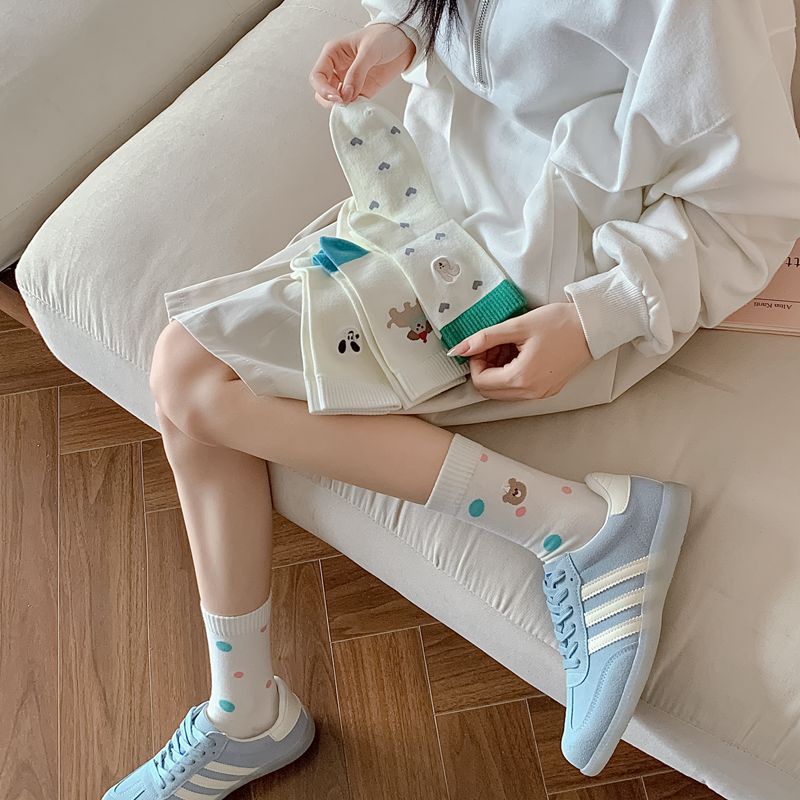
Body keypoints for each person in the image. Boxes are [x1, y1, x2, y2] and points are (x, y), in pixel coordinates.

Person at [103, 1, 800, 797]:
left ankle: (578, 526)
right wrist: (401, 32)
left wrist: (589, 322)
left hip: (535, 274)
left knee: (192, 375)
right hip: (425, 200)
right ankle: (245, 710)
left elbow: (744, 212)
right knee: (190, 383)